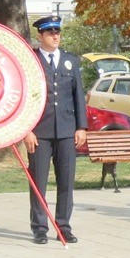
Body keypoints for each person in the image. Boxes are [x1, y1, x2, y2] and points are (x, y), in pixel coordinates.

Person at [24, 15, 86, 244]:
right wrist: (26, 130)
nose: (55, 36)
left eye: (57, 32)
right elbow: (23, 98)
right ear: (40, 35)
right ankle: (40, 227)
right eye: (50, 32)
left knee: (66, 181)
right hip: (39, 131)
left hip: (67, 130)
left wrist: (81, 127)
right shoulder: (31, 60)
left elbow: (78, 94)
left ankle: (63, 226)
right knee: (38, 181)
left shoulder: (71, 60)